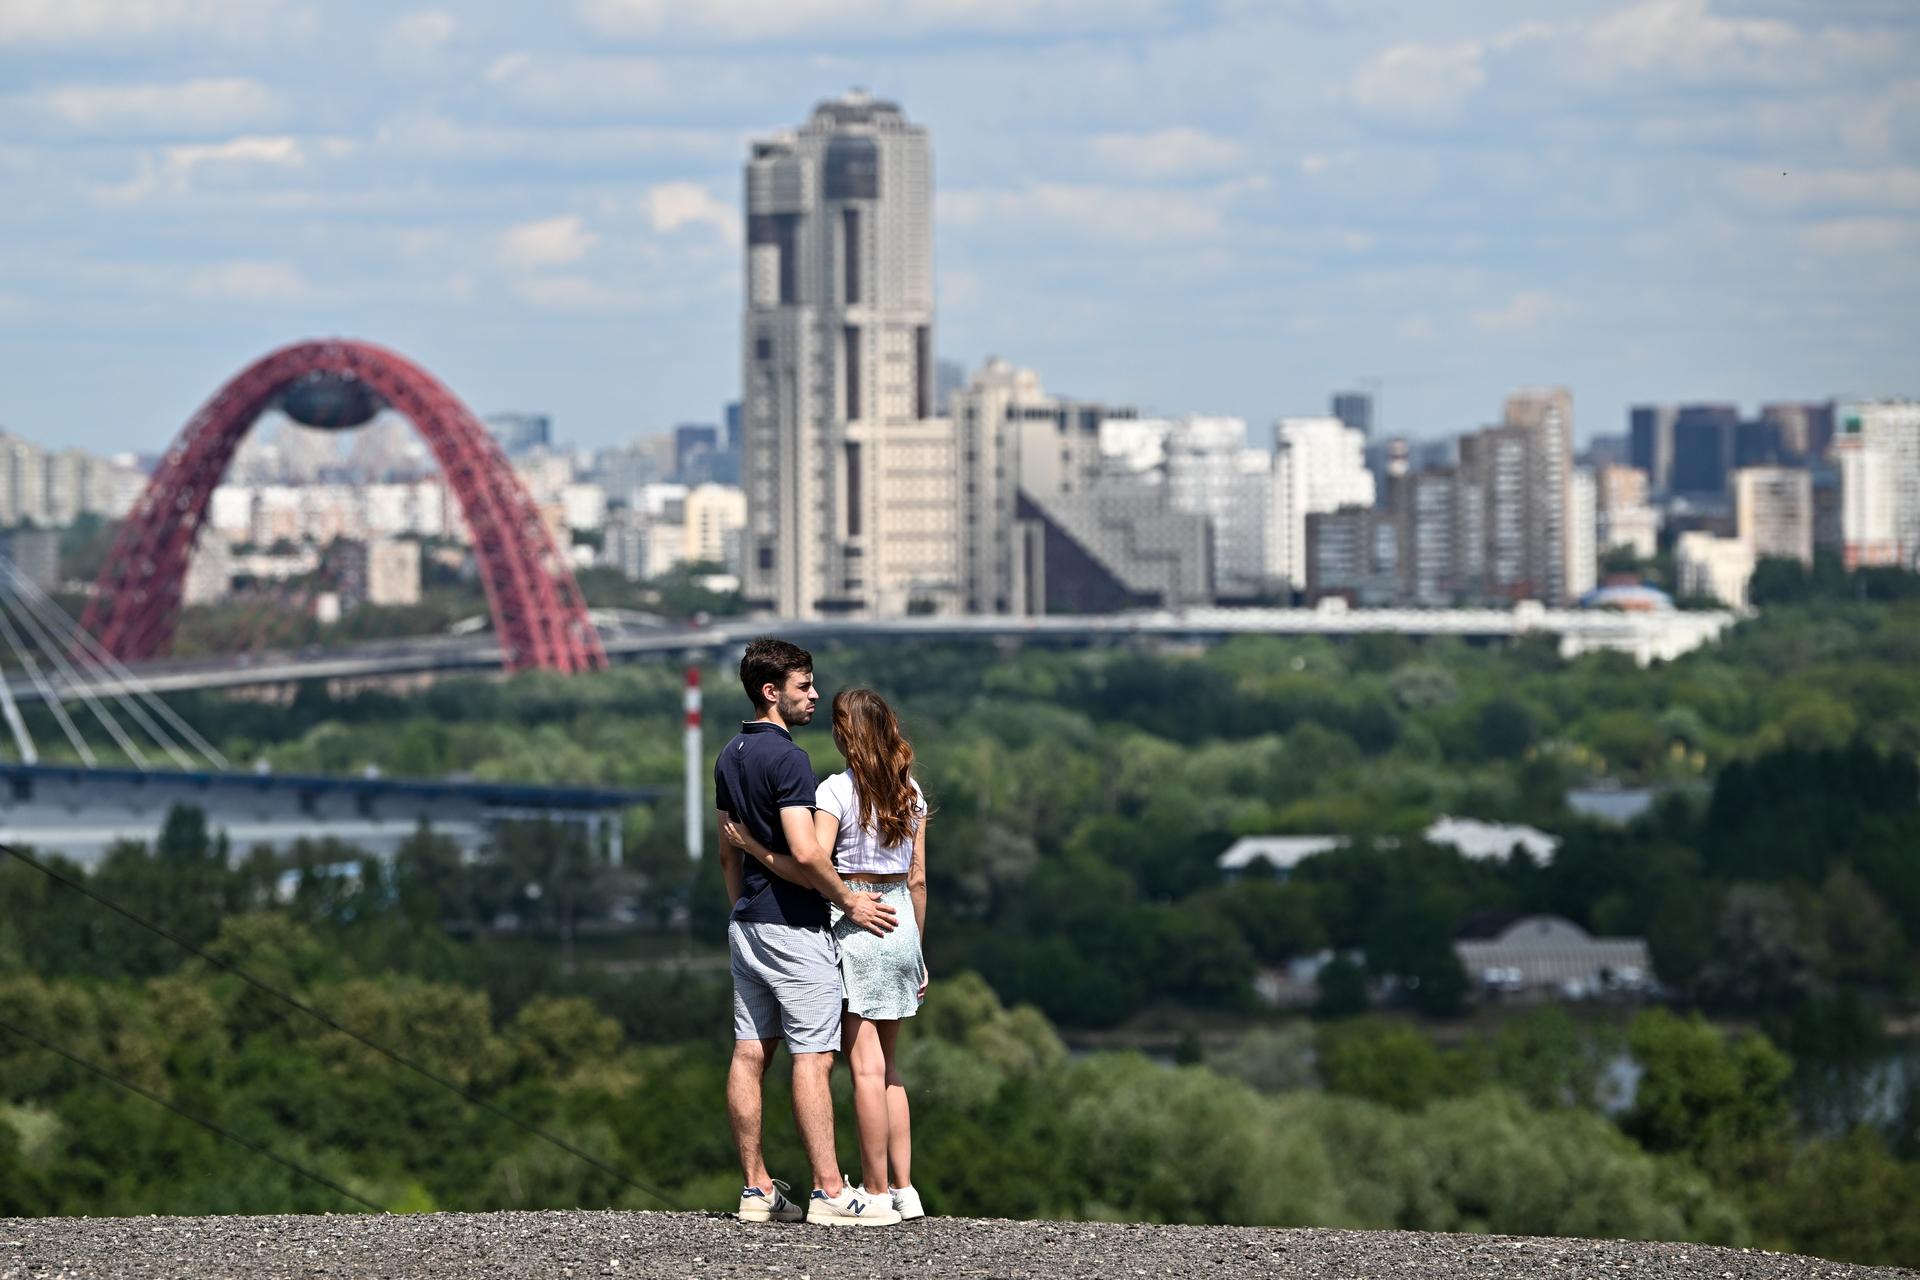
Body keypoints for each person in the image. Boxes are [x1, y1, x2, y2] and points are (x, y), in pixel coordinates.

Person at [723, 686, 930, 1222]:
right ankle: (906, 1190)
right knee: (891, 1070)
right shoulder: (912, 791)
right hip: (903, 924)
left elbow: (812, 858)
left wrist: (754, 849)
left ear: (844, 735)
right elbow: (919, 878)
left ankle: (877, 1193)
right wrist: (918, 952)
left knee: (863, 1067)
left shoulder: (835, 791)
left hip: (856, 920)